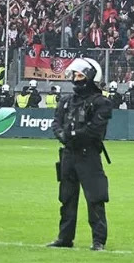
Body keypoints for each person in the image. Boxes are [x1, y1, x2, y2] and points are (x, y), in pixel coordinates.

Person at [46, 57, 113, 251]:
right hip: (68, 155)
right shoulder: (66, 101)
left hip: (88, 155)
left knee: (95, 198)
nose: (76, 78)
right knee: (66, 198)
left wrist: (71, 135)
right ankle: (64, 237)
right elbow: (56, 123)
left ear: (91, 77)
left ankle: (98, 240)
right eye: (75, 74)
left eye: (80, 74)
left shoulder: (102, 103)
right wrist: (63, 135)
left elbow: (94, 130)